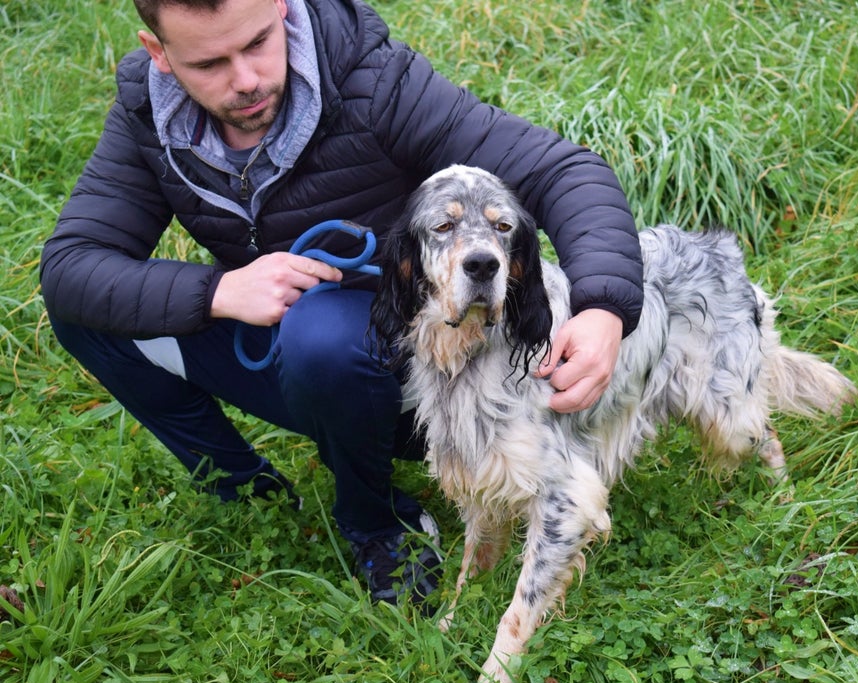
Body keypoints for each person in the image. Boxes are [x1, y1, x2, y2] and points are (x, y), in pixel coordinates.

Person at [40, 0, 643, 608]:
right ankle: (244, 487)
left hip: (424, 374)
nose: (245, 80)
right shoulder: (150, 114)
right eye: (209, 63)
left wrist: (603, 306)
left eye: (256, 43)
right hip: (288, 344)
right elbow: (70, 265)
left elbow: (562, 171)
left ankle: (382, 526)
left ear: (281, 6)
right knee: (88, 312)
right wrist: (220, 292)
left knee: (320, 337)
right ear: (159, 55)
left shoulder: (373, 82)